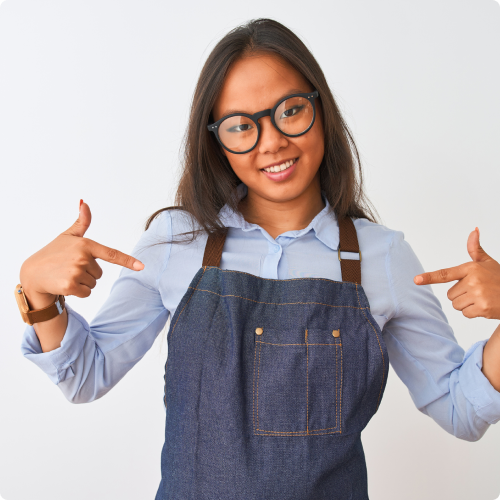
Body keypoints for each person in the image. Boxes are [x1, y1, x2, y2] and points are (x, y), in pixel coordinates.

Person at [17, 18, 500, 500]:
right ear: (216, 141)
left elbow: (461, 409)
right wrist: (38, 295)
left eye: (290, 111)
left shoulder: (383, 256)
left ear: (321, 109)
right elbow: (86, 376)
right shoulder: (174, 242)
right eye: (242, 125)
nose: (270, 142)